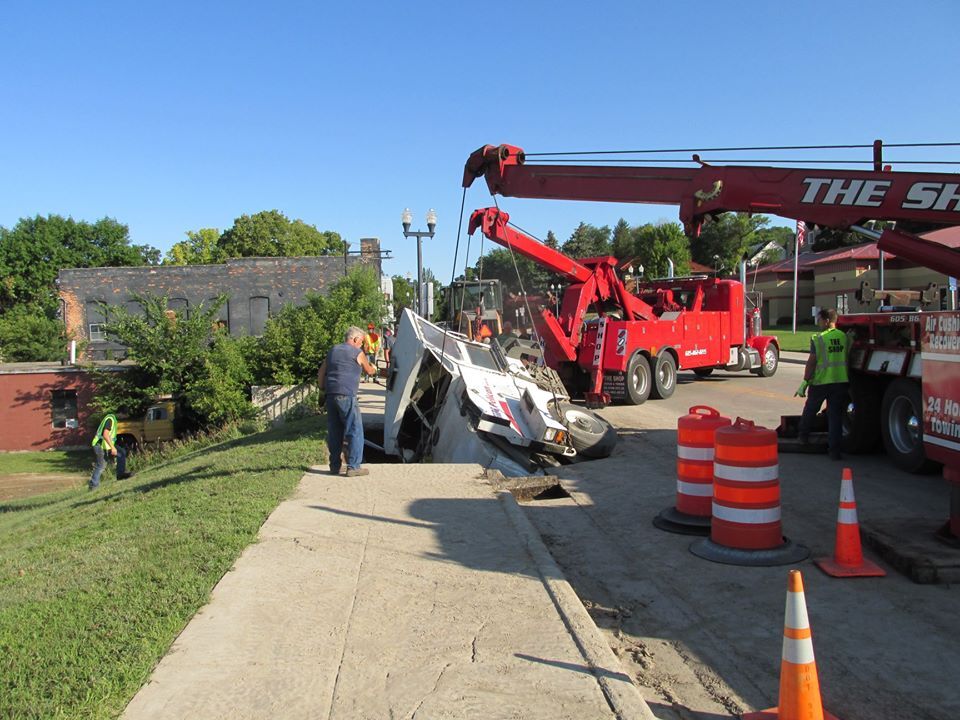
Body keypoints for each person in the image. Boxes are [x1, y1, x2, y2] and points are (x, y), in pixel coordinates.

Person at [317, 326, 378, 477]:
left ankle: (335, 466)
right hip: (347, 395)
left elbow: (321, 372)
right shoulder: (357, 352)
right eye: (362, 342)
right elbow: (369, 371)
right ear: (355, 339)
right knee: (355, 430)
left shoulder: (333, 351)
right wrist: (375, 369)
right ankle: (354, 467)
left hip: (330, 395)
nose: (362, 345)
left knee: (335, 431)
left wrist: (322, 389)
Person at [796, 308, 850, 460]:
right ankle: (834, 451)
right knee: (835, 417)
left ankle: (803, 437)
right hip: (840, 381)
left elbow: (812, 362)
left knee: (810, 410)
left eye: (819, 320)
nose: (818, 323)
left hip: (821, 381)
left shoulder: (818, 338)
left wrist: (806, 381)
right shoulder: (843, 337)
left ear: (826, 321)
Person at [89, 412, 130, 490]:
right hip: (99, 445)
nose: (125, 418)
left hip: (106, 445)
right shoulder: (110, 419)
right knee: (101, 466)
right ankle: (93, 486)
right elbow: (105, 435)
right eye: (126, 416)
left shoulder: (113, 419)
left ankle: (120, 474)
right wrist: (113, 448)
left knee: (121, 452)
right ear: (122, 413)